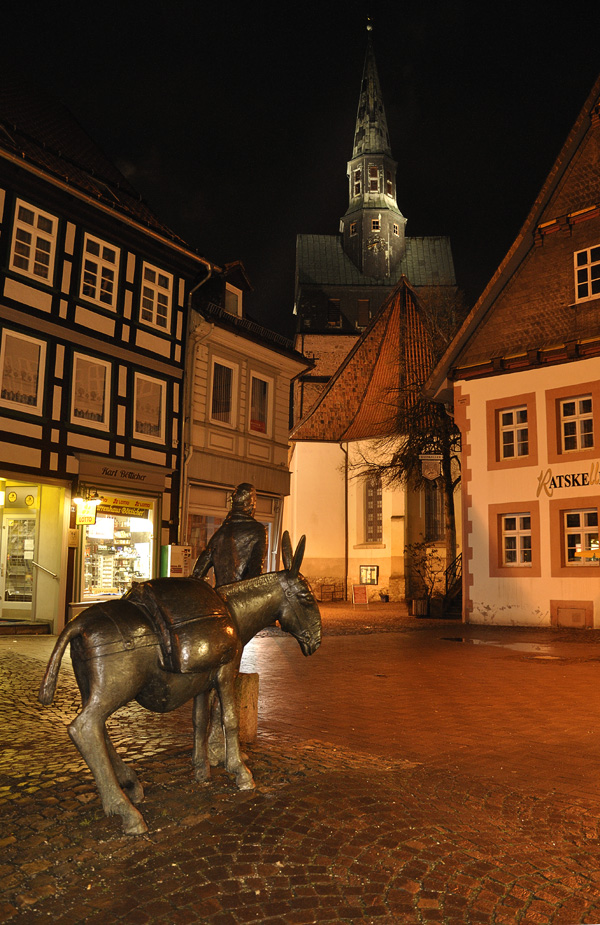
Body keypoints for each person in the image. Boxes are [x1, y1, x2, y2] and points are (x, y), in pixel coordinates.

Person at [192, 482, 267, 586]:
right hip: (241, 598)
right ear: (250, 506)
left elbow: (197, 572)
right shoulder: (258, 530)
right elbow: (255, 573)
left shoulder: (220, 533)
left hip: (219, 598)